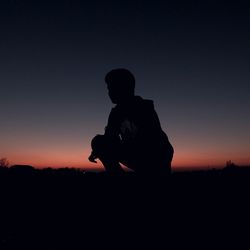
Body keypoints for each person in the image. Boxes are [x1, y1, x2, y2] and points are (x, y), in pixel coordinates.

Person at [88, 68, 174, 175]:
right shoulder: (115, 113)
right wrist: (97, 151)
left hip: (155, 156)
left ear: (126, 88)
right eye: (108, 89)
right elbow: (109, 137)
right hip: (133, 152)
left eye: (113, 88)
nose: (109, 92)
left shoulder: (143, 107)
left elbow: (152, 141)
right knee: (99, 142)